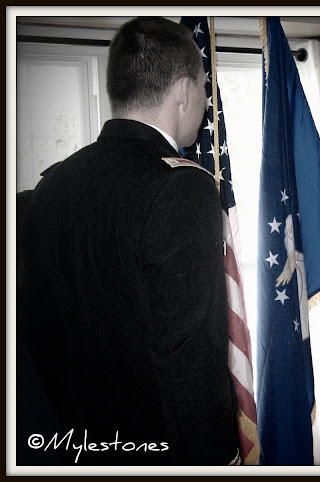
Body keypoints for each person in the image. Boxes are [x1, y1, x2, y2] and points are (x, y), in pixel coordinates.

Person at [20, 17, 240, 465]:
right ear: (183, 91)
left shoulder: (52, 186)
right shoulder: (182, 187)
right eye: (204, 86)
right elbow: (192, 357)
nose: (205, 99)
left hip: (75, 445)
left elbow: (41, 334)